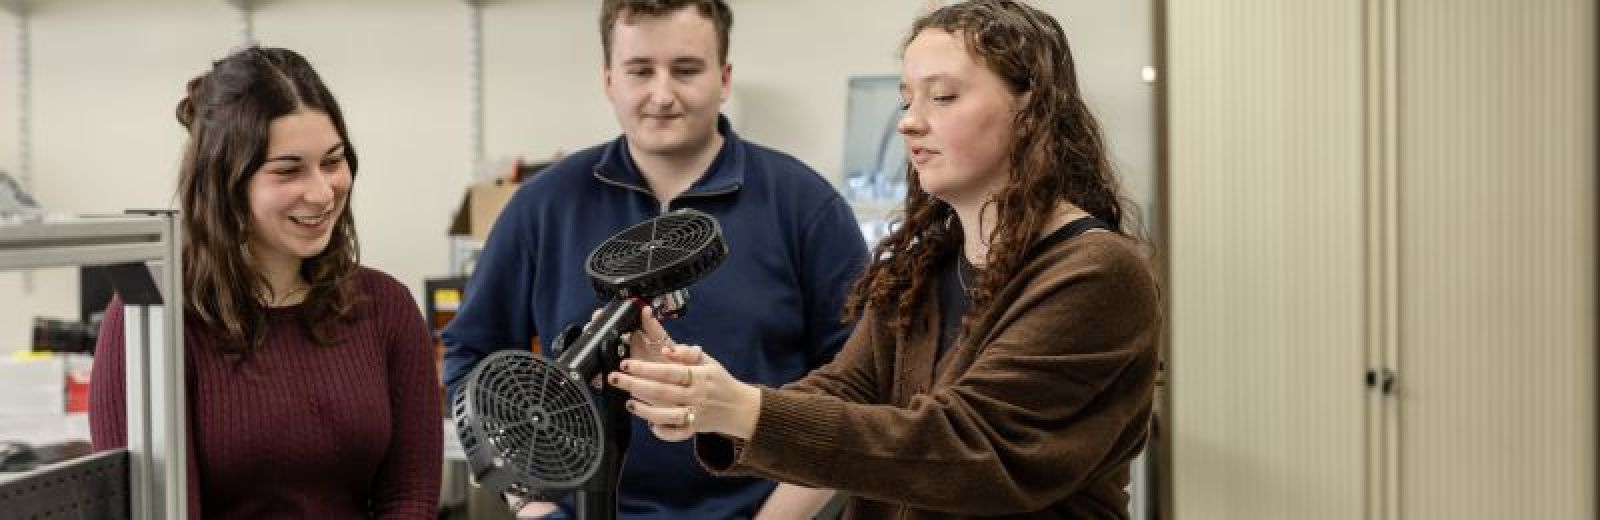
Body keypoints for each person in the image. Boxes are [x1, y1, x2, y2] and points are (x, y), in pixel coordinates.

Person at [607, 1, 1161, 518]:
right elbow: (845, 391)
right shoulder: (926, 265)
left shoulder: (1095, 274)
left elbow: (966, 448)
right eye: (906, 98)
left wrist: (742, 407)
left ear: (1031, 110)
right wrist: (701, 393)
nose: (908, 122)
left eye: (942, 97)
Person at [440, 0, 868, 518]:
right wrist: (532, 505)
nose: (662, 95)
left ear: (725, 77)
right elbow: (471, 356)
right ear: (608, 80)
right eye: (640, 70)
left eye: (686, 70)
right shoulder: (542, 205)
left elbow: (861, 381)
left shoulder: (805, 206)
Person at [88, 46, 442, 518]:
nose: (321, 192)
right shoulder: (154, 317)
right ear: (226, 181)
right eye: (288, 170)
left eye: (333, 162)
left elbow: (410, 497)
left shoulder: (386, 307)